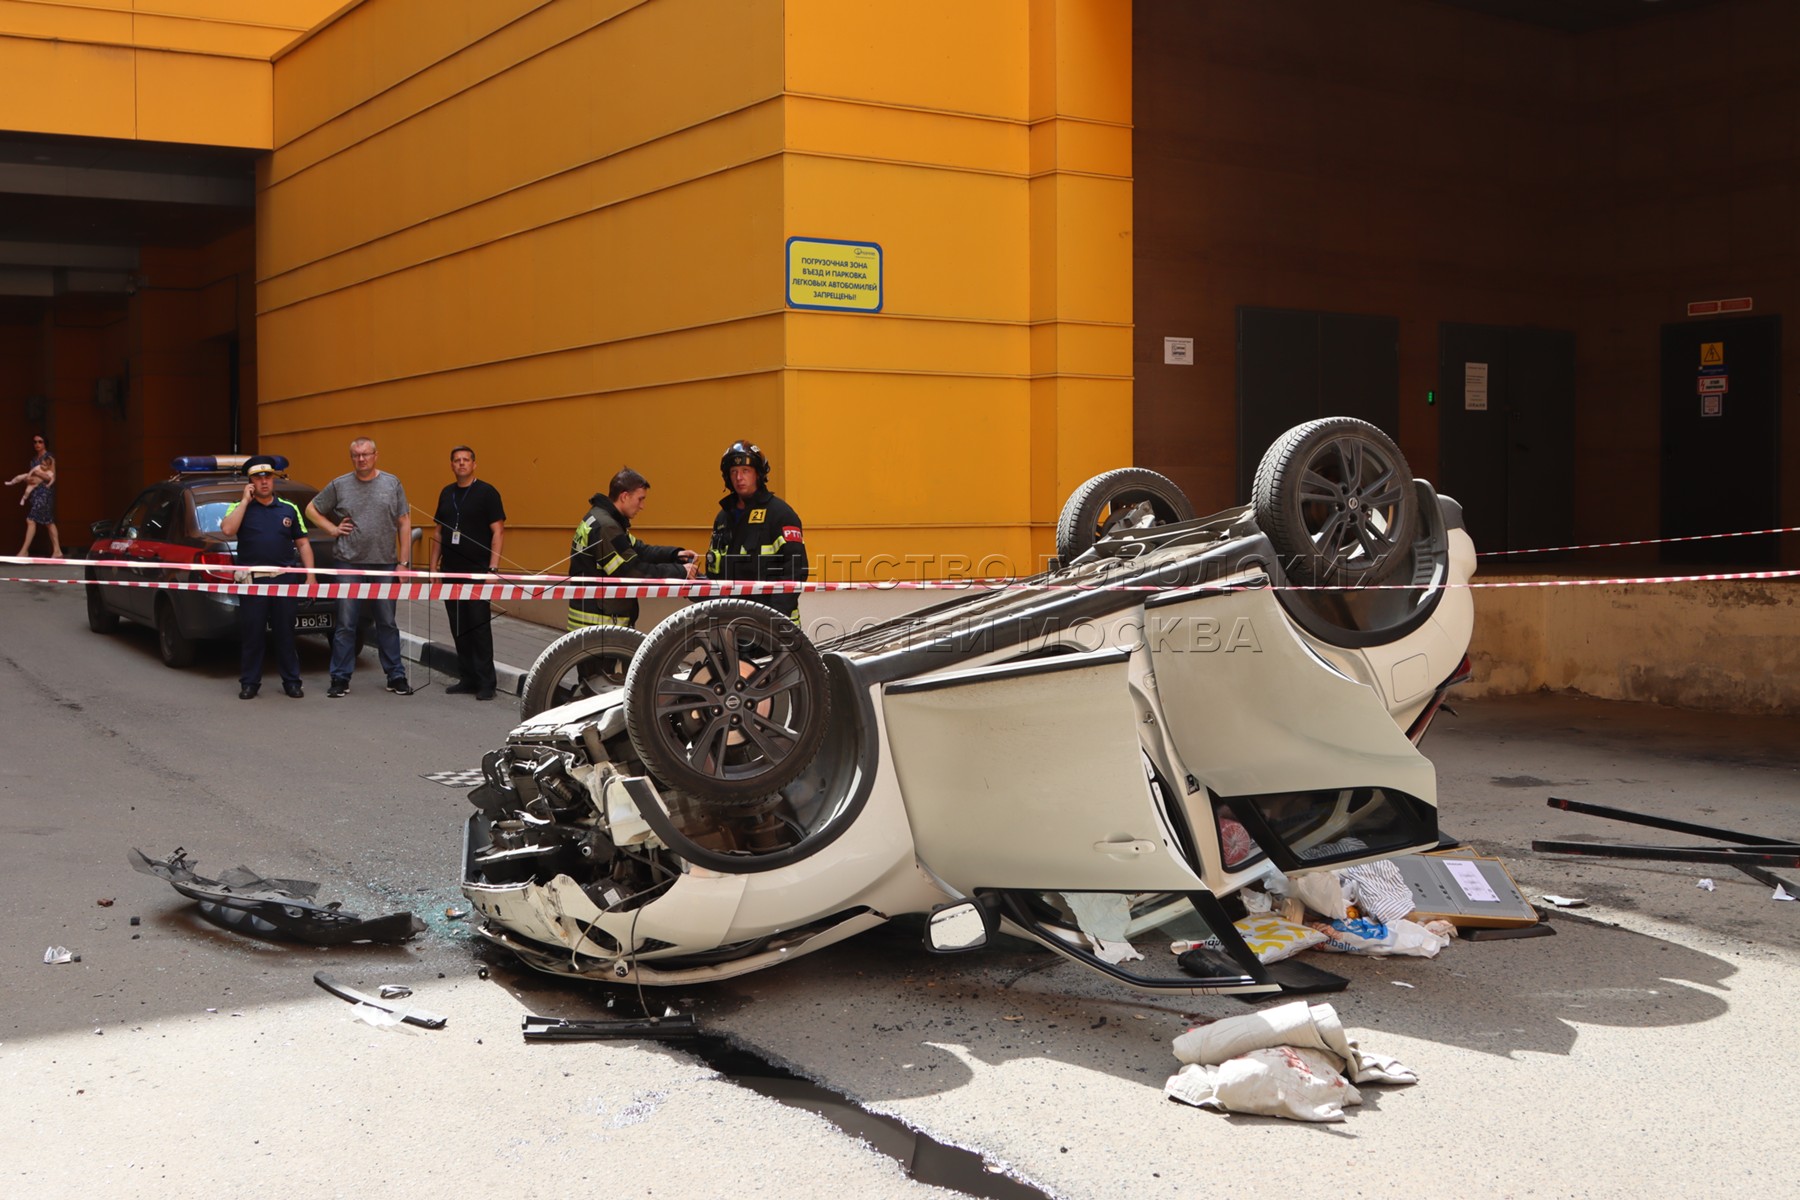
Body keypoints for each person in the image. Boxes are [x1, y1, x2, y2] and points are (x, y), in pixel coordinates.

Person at [305, 436, 412, 698]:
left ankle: (395, 675)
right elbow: (311, 509)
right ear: (351, 457)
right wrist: (332, 529)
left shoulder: (391, 483)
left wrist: (404, 564)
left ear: (376, 455)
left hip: (385, 564)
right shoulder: (339, 485)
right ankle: (340, 678)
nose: (361, 459)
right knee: (345, 623)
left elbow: (404, 522)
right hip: (348, 562)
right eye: (356, 455)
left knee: (387, 621)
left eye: (365, 454)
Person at [220, 456, 315, 699]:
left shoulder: (288, 508)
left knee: (285, 633)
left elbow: (303, 544)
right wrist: (244, 501)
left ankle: (292, 682)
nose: (264, 482)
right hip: (254, 580)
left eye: (268, 477)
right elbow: (228, 530)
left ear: (273, 479)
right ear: (250, 482)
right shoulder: (238, 507)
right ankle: (250, 683)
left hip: (284, 579)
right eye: (258, 478)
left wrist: (310, 577)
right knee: (253, 634)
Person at [569, 467, 696, 631]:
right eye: (640, 499)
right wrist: (680, 572)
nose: (642, 506)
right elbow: (631, 572)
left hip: (593, 621)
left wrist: (674, 554)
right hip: (600, 625)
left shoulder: (603, 519)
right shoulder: (606, 527)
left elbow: (640, 550)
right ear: (624, 496)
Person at [428, 445, 506, 700]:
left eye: (466, 460)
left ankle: (486, 683)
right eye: (456, 460)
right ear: (451, 465)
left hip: (477, 571)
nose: (461, 464)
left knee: (479, 626)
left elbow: (498, 531)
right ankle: (467, 678)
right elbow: (439, 533)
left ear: (474, 464)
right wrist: (433, 569)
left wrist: (493, 568)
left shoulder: (487, 493)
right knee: (459, 626)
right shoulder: (445, 493)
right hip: (451, 571)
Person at [705, 440, 807, 621]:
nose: (739, 477)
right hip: (730, 621)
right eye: (734, 472)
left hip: (773, 625)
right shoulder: (723, 517)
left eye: (746, 471)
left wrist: (772, 618)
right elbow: (715, 570)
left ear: (758, 475)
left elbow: (795, 570)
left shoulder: (780, 514)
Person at [8, 434, 61, 558]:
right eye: (35, 442)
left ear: (44, 443)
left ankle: (24, 551)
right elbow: (30, 476)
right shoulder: (33, 460)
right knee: (48, 521)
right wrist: (29, 480)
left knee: (30, 520)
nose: (37, 444)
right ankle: (57, 550)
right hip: (35, 493)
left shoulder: (49, 457)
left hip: (45, 493)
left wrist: (39, 475)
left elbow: (51, 477)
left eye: (40, 442)